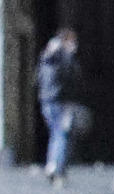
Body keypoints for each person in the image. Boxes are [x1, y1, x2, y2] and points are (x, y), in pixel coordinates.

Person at [35, 27, 84, 182]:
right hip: (62, 100)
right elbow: (72, 76)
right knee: (62, 133)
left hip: (46, 99)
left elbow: (39, 77)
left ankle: (51, 164)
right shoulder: (64, 56)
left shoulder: (46, 55)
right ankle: (58, 167)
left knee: (55, 133)